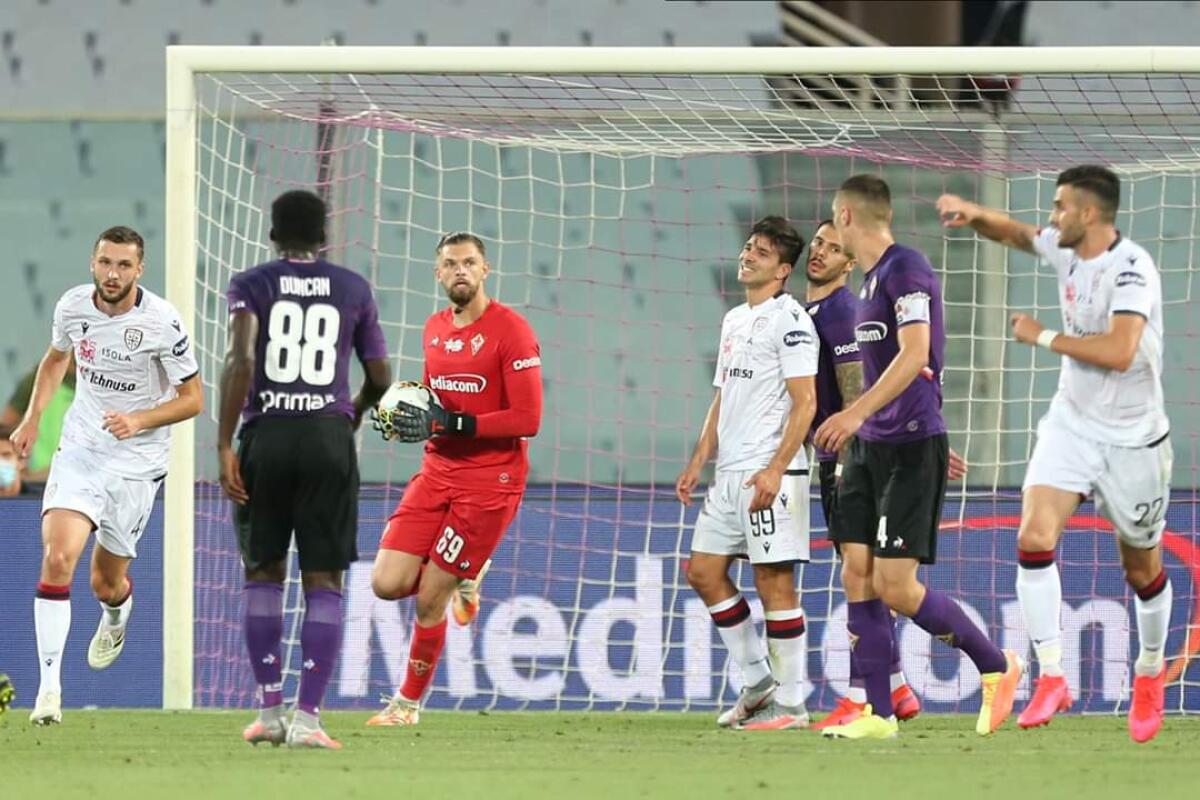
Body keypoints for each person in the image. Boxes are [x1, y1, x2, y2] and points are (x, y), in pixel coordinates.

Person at [937, 165, 1173, 743]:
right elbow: (1020, 234)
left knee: (1141, 568)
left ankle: (1148, 672)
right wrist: (976, 214)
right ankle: (1052, 676)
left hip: (1134, 439)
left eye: (1060, 206)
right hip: (1072, 425)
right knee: (1033, 537)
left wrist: (1041, 336)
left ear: (1089, 213)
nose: (1052, 216)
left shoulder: (1132, 268)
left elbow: (1120, 351)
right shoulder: (1066, 250)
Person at [814, 175, 1021, 740]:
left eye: (833, 220)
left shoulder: (905, 268)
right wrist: (866, 422)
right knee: (855, 571)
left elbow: (915, 353)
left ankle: (996, 665)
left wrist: (858, 415)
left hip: (907, 447)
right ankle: (878, 715)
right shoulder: (868, 283)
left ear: (846, 216)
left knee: (896, 587)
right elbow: (894, 372)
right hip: (871, 446)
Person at [218, 190, 392, 750]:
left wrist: (223, 444)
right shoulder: (353, 288)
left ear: (273, 234)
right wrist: (350, 415)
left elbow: (240, 360)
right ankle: (309, 720)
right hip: (326, 440)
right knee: (324, 579)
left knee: (263, 573)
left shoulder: (250, 284)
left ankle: (269, 712)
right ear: (323, 236)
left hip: (266, 437)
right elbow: (382, 378)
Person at [11, 226, 203, 725]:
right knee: (57, 557)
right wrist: (33, 418)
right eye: (105, 263)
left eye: (123, 265)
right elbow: (56, 359)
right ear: (92, 263)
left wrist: (139, 420)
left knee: (104, 582)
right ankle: (49, 691)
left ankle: (117, 610)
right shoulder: (73, 306)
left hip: (137, 461)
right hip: (82, 449)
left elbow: (193, 399)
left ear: (140, 270)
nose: (112, 274)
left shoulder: (162, 322)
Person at [366, 232, 542, 727]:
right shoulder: (434, 329)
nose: (459, 270)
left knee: (429, 599)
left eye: (469, 262)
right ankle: (466, 571)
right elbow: (436, 403)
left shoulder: (512, 331)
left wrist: (455, 423)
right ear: (438, 273)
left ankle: (406, 706)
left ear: (485, 270)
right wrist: (408, 414)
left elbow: (528, 418)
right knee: (385, 583)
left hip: (490, 480)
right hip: (437, 470)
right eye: (450, 263)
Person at [675, 216, 818, 731]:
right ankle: (758, 683)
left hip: (770, 472)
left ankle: (792, 704)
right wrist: (699, 458)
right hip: (730, 473)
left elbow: (806, 403)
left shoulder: (792, 322)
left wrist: (776, 469)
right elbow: (723, 395)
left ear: (782, 270)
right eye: (749, 246)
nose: (748, 255)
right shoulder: (735, 318)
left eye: (761, 252)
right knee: (703, 572)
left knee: (773, 582)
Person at [799, 220, 920, 729]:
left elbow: (856, 390)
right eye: (817, 243)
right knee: (861, 574)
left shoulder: (841, 311)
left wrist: (851, 459)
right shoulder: (810, 312)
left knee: (861, 576)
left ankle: (862, 697)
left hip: (852, 458)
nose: (820, 253)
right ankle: (895, 686)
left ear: (850, 263)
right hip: (837, 457)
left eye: (833, 248)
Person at [0, 358, 76, 482]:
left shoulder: (101, 384)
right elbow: (5, 429)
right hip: (36, 480)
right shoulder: (38, 379)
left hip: (80, 477)